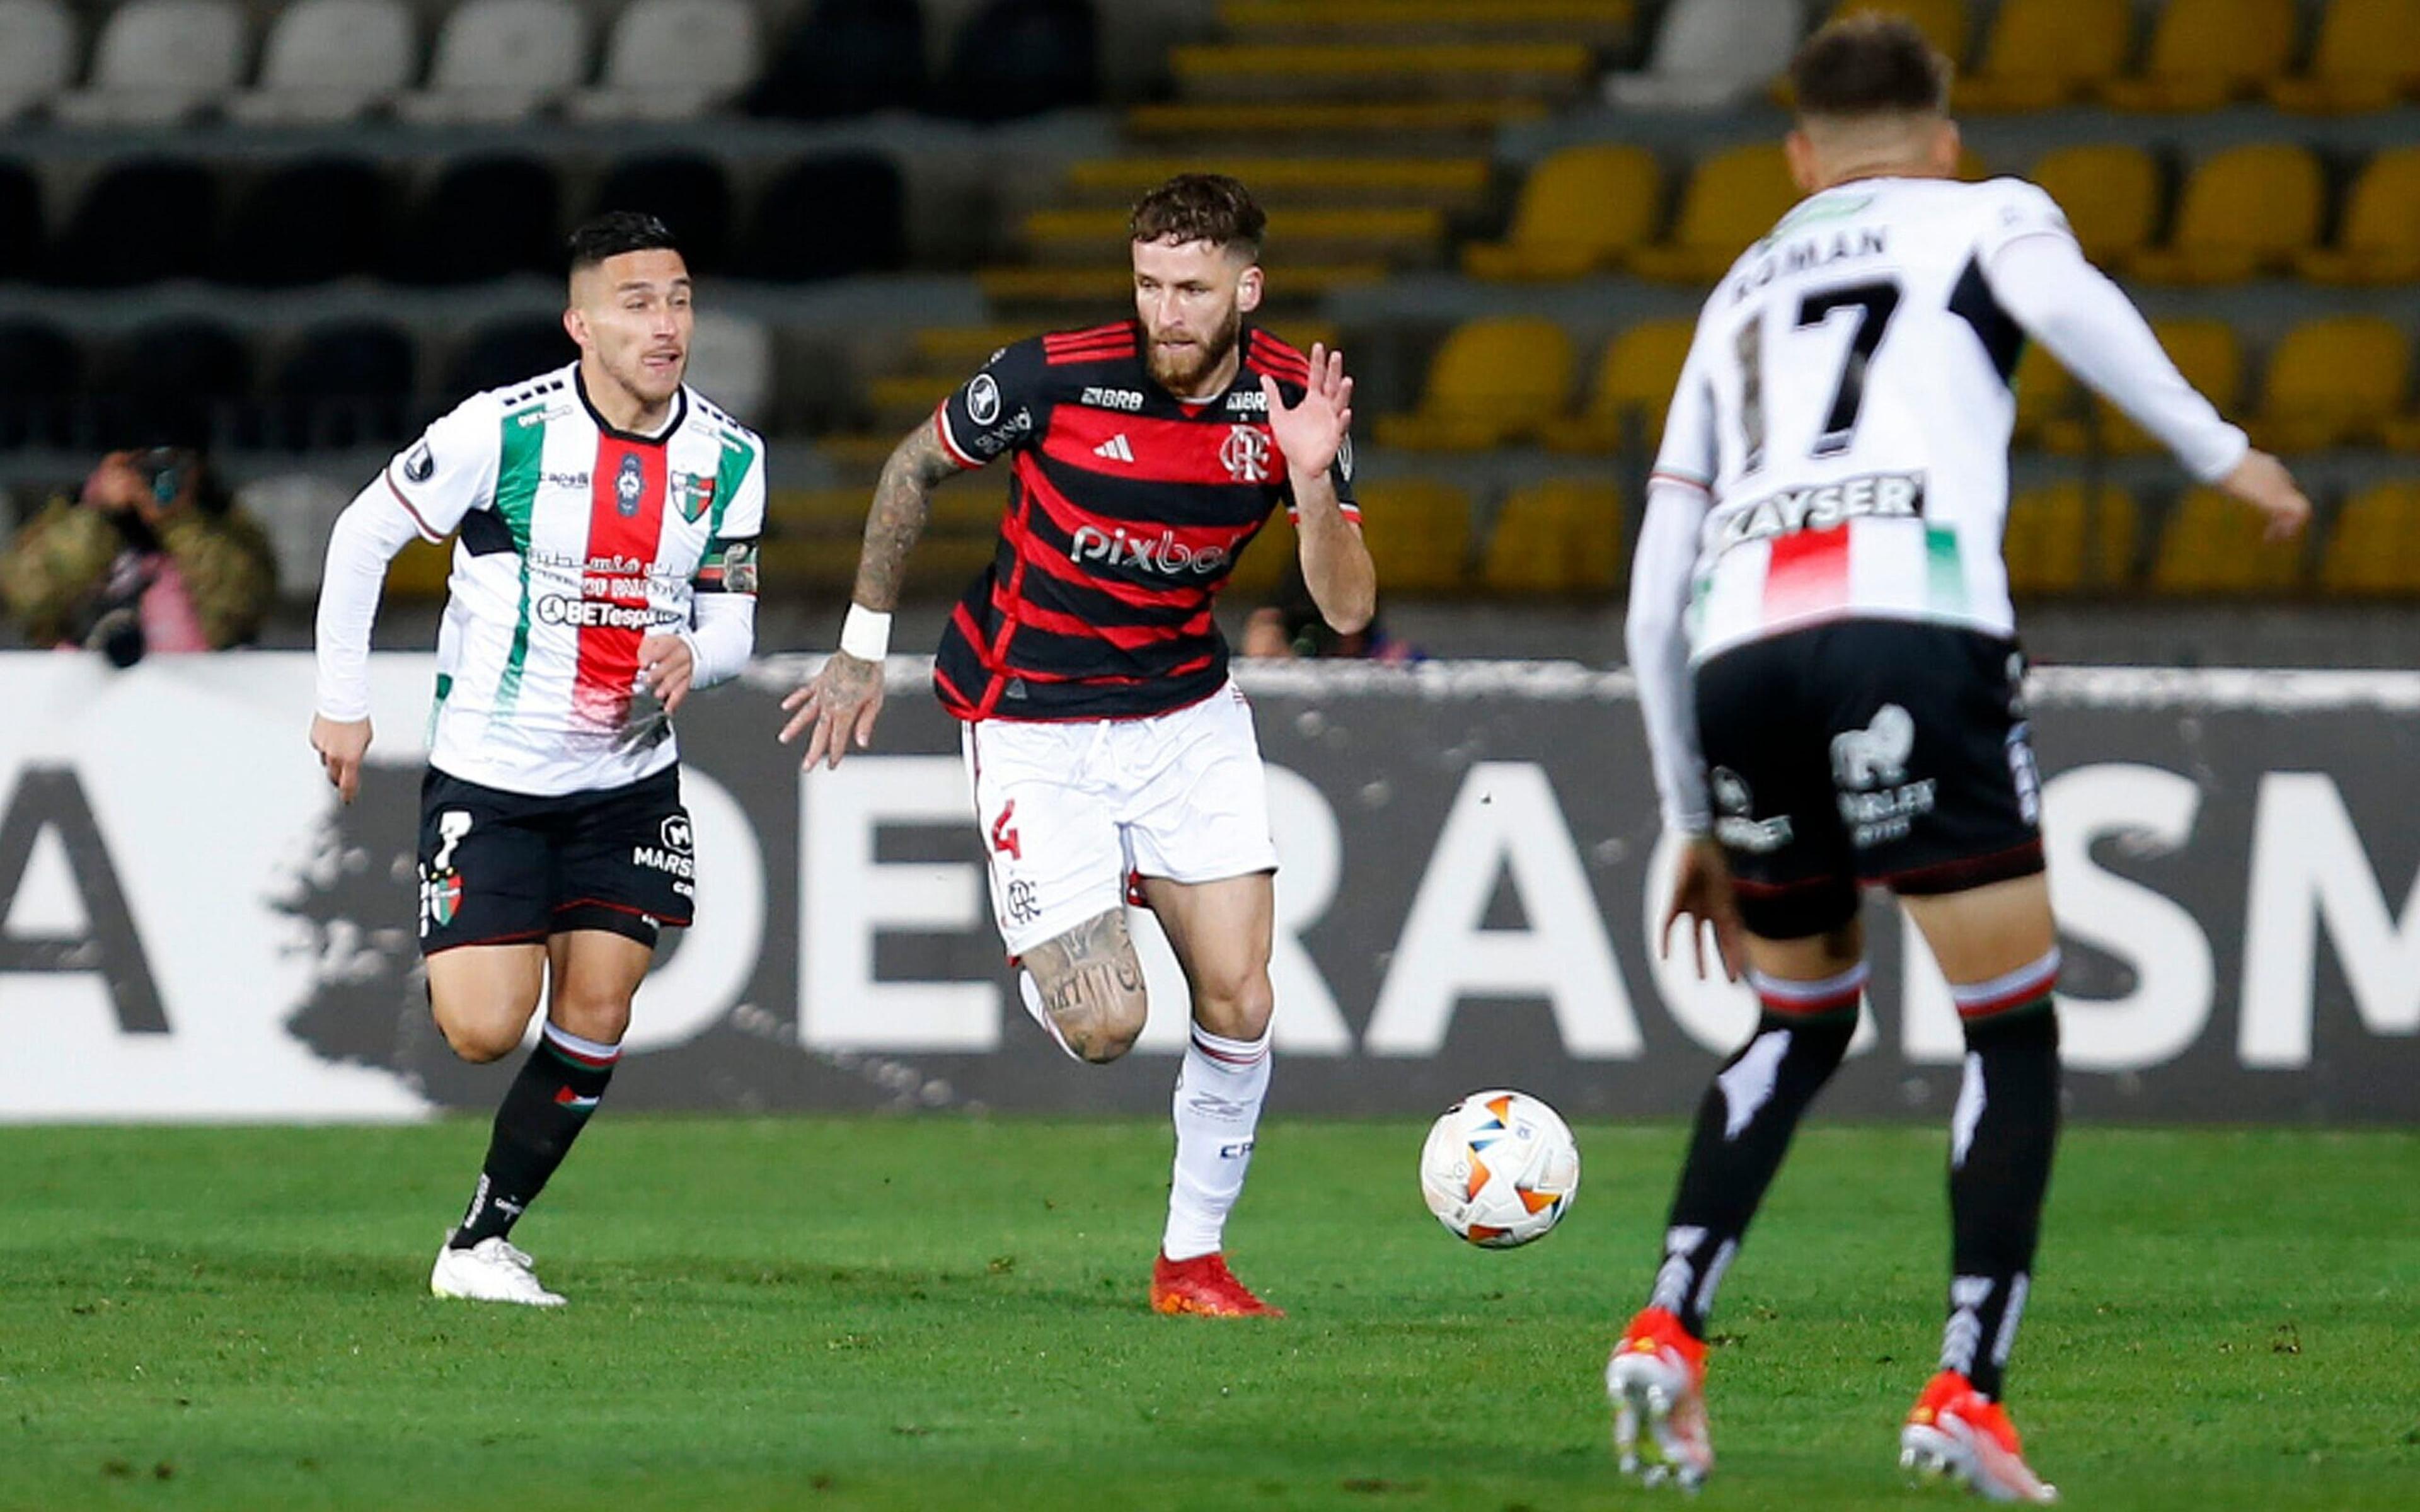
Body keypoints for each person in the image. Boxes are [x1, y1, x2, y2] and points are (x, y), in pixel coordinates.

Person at [1611, 16, 2310, 1500]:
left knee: (1795, 1021)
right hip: (1907, 623)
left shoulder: (1734, 287)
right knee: (2004, 1025)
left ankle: (1666, 1320)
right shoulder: (1989, 214)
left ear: (1794, 156)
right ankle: (1962, 1388)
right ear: (1943, 136)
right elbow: (2079, 311)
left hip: (1739, 646)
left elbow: (1651, 569)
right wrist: (2218, 450)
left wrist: (1687, 807)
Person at [781, 174, 1374, 1317]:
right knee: (1108, 1026)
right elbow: (911, 468)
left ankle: (1190, 1266)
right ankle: (1070, 891)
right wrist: (861, 646)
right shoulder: (1051, 375)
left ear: (1247, 289)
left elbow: (1345, 612)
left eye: (1193, 289)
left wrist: (1310, 479)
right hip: (1031, 714)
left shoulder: (1301, 402)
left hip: (1182, 716)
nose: (1166, 312)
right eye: (1149, 284)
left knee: (1241, 999)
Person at [308, 212, 766, 1306]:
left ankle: (477, 1244)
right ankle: (470, 924)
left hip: (627, 784)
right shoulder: (500, 431)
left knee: (602, 1007)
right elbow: (361, 533)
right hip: (493, 777)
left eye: (681, 298)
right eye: (638, 303)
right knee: (480, 1029)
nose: (666, 324)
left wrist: (694, 656)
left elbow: (737, 625)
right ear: (581, 323)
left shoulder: (730, 455)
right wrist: (342, 704)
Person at [1, 447, 276, 662]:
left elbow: (241, 606)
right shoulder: (71, 518)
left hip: (198, 703)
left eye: (173, 464)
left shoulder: (226, 522)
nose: (154, 477)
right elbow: (26, 597)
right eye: (140, 465)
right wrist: (99, 516)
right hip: (85, 708)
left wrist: (179, 522)